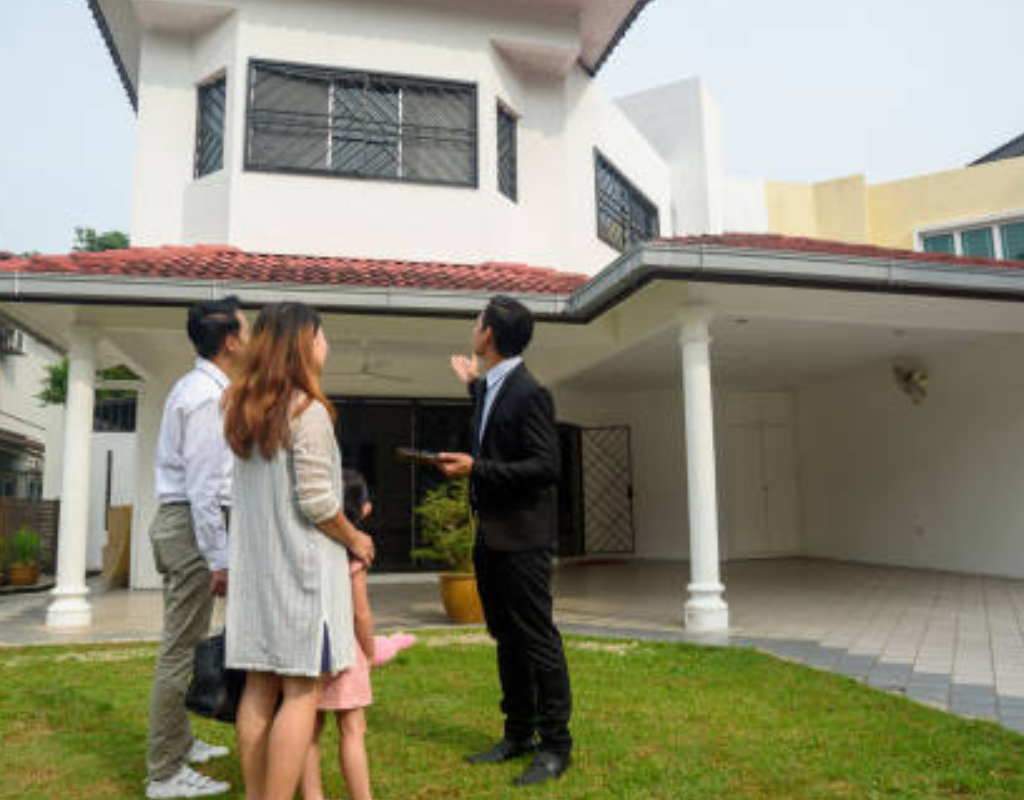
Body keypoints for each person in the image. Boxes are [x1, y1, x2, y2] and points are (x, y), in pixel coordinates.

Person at [223, 303, 375, 800]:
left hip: (258, 579)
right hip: (302, 579)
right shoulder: (307, 411)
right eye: (321, 335)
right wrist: (355, 538)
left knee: (258, 688)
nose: (327, 345)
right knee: (300, 691)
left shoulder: (242, 411)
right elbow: (315, 502)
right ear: (301, 343)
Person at [437, 295, 573, 787]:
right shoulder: (493, 386)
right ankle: (518, 733)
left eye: (476, 322)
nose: (472, 328)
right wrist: (473, 386)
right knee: (507, 640)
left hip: (523, 539)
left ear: (488, 334)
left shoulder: (530, 391)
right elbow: (497, 429)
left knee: (537, 641)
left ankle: (556, 747)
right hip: (491, 536)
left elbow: (546, 466)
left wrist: (478, 467)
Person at [145, 296, 249, 800]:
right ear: (229, 340)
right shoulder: (208, 397)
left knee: (187, 640)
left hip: (184, 523)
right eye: (245, 329)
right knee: (181, 650)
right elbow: (207, 488)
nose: (250, 337)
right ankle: (163, 772)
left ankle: (180, 743)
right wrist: (220, 558)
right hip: (191, 525)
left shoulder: (201, 387)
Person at [301, 469, 416, 800]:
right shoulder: (355, 552)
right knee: (352, 731)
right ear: (360, 508)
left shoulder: (313, 546)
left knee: (308, 731)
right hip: (345, 651)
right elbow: (360, 613)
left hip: (311, 648)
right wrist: (368, 651)